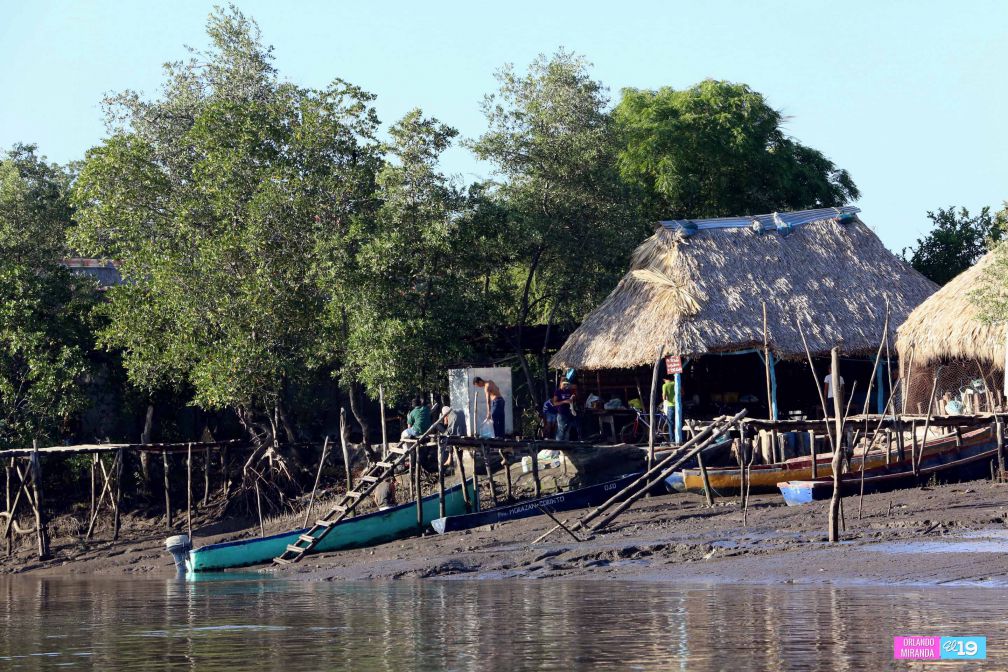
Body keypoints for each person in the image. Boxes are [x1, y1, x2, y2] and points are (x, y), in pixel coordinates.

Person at [662, 374, 677, 440]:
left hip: (670, 406)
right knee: (679, 422)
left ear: (664, 379)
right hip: (678, 406)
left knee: (671, 424)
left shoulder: (665, 385)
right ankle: (682, 438)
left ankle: (672, 440)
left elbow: (664, 398)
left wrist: (664, 395)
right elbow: (682, 393)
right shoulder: (676, 383)